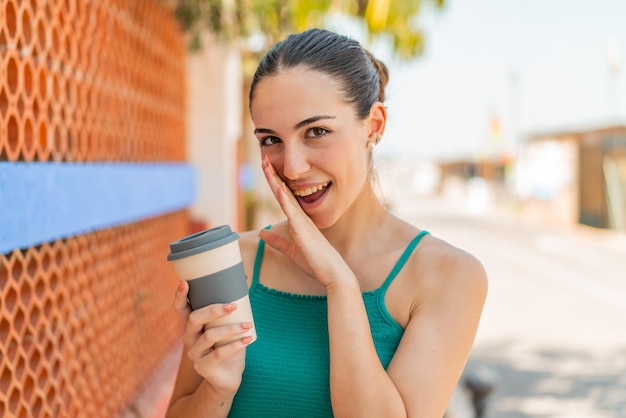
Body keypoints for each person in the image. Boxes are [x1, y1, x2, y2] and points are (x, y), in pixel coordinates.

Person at [166, 28, 487, 418]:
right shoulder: (234, 261)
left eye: (316, 132)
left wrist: (341, 285)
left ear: (374, 126)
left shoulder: (448, 276)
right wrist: (218, 387)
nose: (293, 167)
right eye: (271, 140)